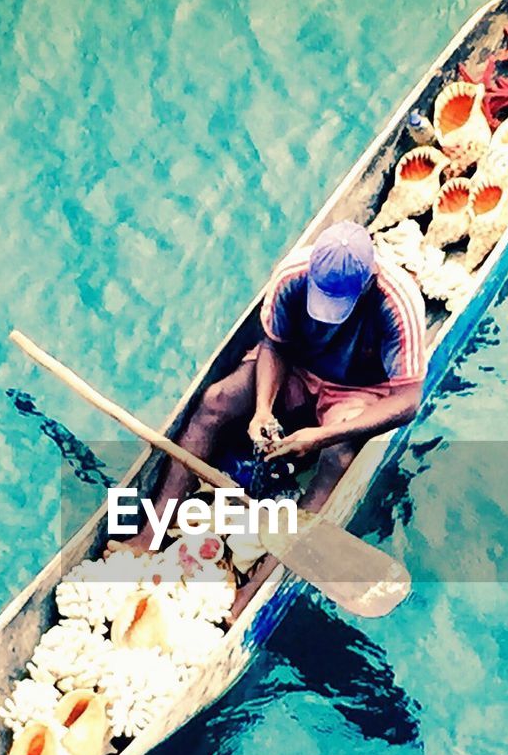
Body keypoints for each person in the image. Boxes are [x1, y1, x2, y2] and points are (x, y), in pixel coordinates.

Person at [120, 219, 426, 548]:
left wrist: (321, 436)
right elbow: (275, 344)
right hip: (296, 366)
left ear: (369, 283)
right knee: (215, 401)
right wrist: (263, 410)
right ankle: (151, 533)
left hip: (357, 390)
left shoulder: (397, 304)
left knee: (337, 456)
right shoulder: (292, 276)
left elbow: (407, 401)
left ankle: (263, 575)